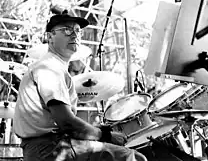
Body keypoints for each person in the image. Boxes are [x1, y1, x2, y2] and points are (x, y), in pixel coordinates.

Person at [13, 10, 147, 161]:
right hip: (50, 149)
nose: (75, 35)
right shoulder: (49, 67)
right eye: (67, 30)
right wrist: (106, 135)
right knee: (133, 157)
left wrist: (97, 132)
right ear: (49, 37)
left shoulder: (53, 67)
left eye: (77, 31)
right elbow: (67, 123)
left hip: (48, 148)